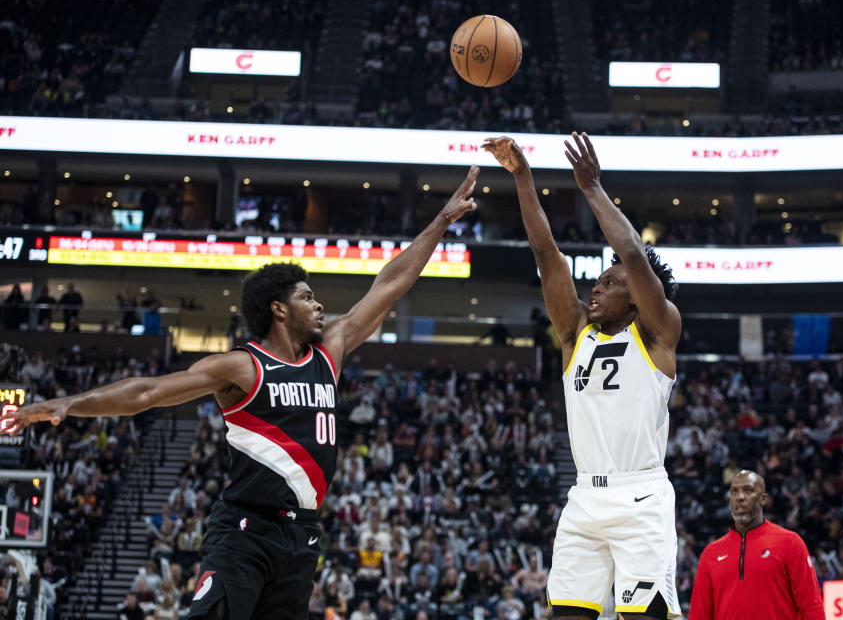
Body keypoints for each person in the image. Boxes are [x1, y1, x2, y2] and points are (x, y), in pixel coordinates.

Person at [8, 166, 479, 620]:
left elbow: (391, 284)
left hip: (302, 537)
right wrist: (68, 404)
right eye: (307, 297)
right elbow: (148, 392)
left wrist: (440, 222)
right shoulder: (244, 365)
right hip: (244, 530)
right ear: (278, 309)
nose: (319, 305)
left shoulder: (329, 352)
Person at [484, 133, 681, 620]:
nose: (597, 285)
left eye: (610, 283)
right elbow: (547, 254)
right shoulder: (576, 334)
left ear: (637, 296)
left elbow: (634, 255)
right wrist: (522, 177)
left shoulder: (658, 332)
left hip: (640, 498)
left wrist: (592, 188)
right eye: (598, 279)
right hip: (584, 501)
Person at [688, 470, 826, 620]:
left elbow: (811, 606)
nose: (740, 497)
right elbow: (699, 614)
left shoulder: (790, 543)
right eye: (734, 492)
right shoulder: (711, 553)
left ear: (764, 499)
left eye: (748, 490)